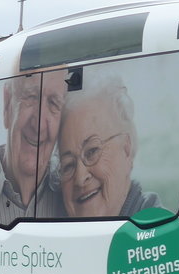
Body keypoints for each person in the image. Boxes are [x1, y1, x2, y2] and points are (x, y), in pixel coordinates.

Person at [0, 69, 68, 222]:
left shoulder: (70, 199)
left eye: (54, 103)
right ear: (7, 106)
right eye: (31, 97)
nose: (39, 125)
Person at [58, 76, 161, 218]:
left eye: (92, 151)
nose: (80, 178)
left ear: (126, 149)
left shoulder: (160, 229)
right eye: (68, 165)